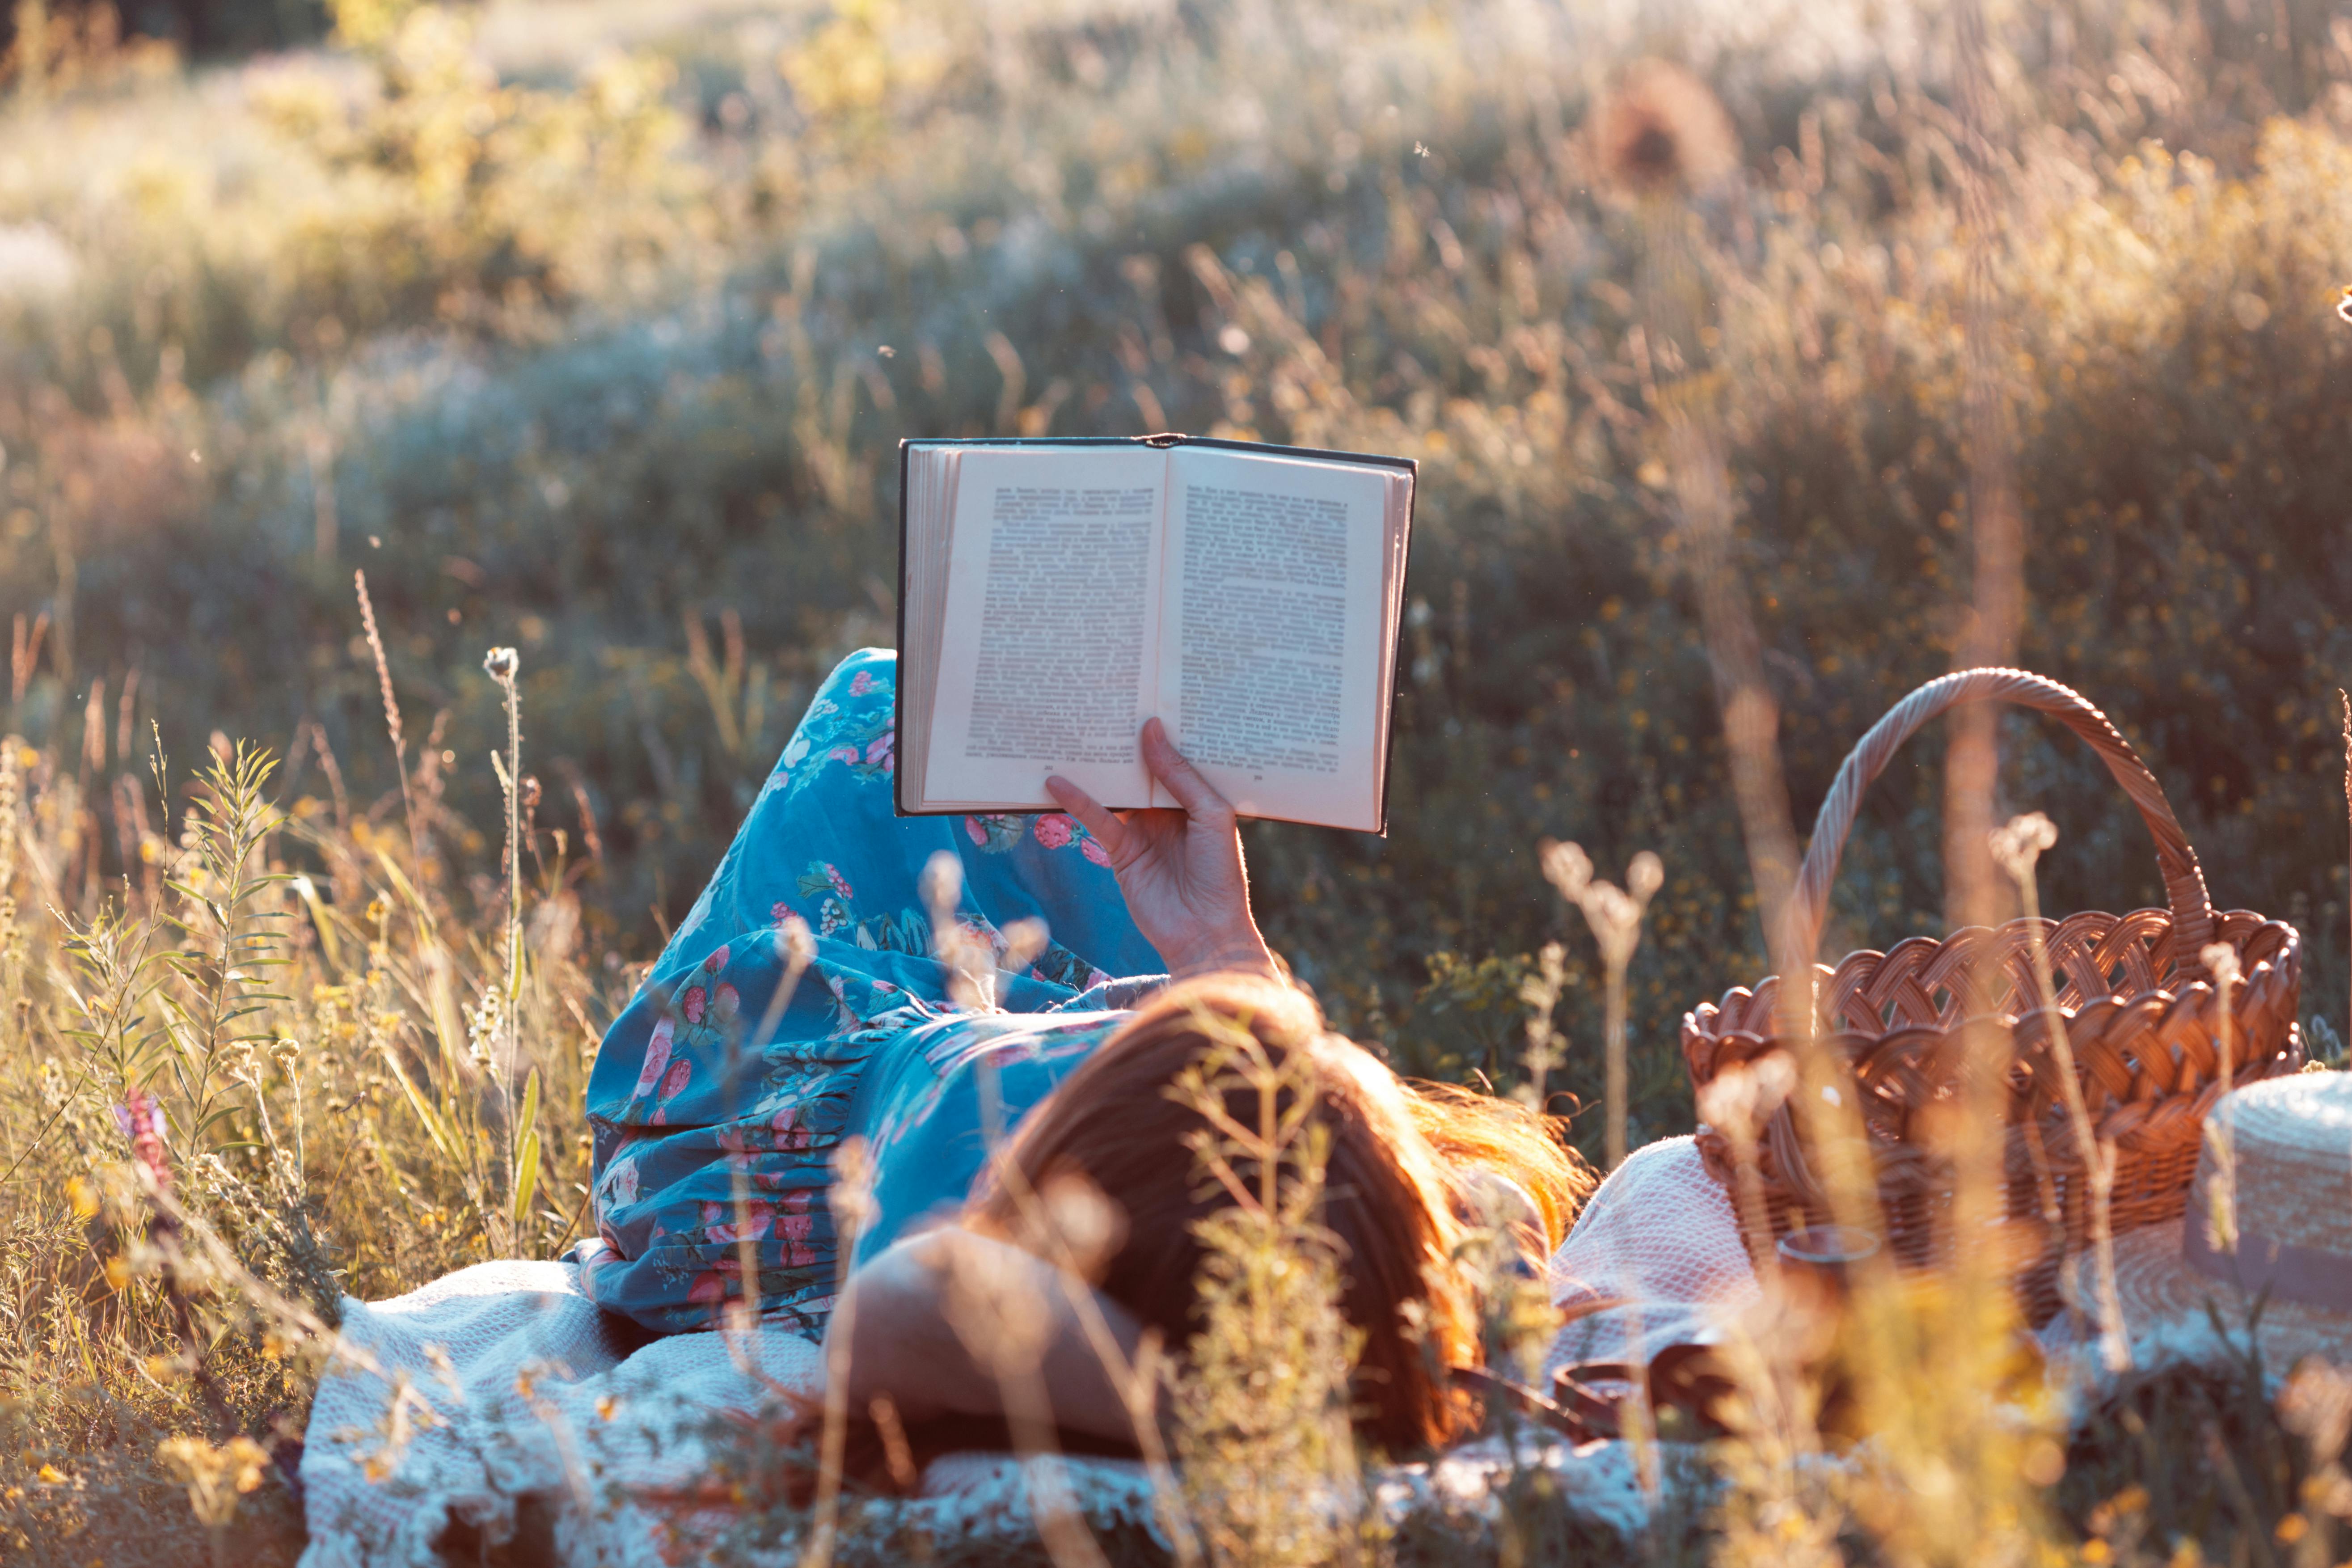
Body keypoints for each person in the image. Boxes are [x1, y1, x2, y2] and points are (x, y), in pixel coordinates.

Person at [574, 649, 1589, 1461]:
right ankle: (1217, 1005)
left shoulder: (1001, 1264)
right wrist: (1224, 952)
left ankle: (1208, 1017)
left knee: (880, 696)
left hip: (804, 1075)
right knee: (960, 721)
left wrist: (1248, 1418)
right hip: (1078, 1038)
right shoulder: (1361, 1229)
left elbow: (897, 1312)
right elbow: (1489, 1216)